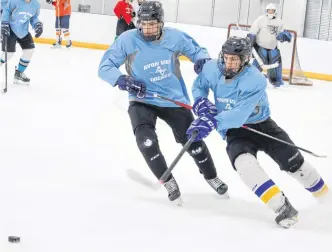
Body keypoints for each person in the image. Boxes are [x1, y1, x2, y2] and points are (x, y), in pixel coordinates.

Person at [186, 36, 329, 227]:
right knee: (245, 165)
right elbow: (199, 85)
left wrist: (211, 121)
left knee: (296, 166)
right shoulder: (211, 68)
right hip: (235, 132)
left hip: (263, 126)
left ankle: (327, 199)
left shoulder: (255, 79)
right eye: (227, 57)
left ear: (245, 60)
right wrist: (201, 102)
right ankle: (282, 207)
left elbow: (239, 116)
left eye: (235, 59)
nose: (230, 63)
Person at [98, 1, 228, 205]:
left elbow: (197, 50)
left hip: (173, 99)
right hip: (142, 100)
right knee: (145, 140)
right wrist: (123, 80)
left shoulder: (174, 37)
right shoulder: (127, 40)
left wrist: (201, 60)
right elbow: (105, 67)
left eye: (153, 24)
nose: (148, 29)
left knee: (192, 140)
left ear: (161, 23)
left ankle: (211, 176)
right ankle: (168, 181)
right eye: (144, 24)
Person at [247, 3, 292, 87]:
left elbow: (281, 33)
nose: (270, 12)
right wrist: (251, 41)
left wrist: (284, 36)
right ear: (266, 11)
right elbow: (253, 31)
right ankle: (251, 79)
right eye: (269, 10)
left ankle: (276, 80)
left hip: (273, 47)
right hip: (261, 46)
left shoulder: (279, 21)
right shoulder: (261, 19)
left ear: (275, 11)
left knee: (276, 63)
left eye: (272, 10)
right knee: (258, 64)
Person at [1, 0, 43, 84]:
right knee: (8, 54)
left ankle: (19, 73)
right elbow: (6, 10)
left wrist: (37, 24)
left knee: (29, 50)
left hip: (23, 31)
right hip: (10, 29)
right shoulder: (14, 1)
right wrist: (4, 23)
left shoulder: (36, 5)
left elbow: (33, 17)